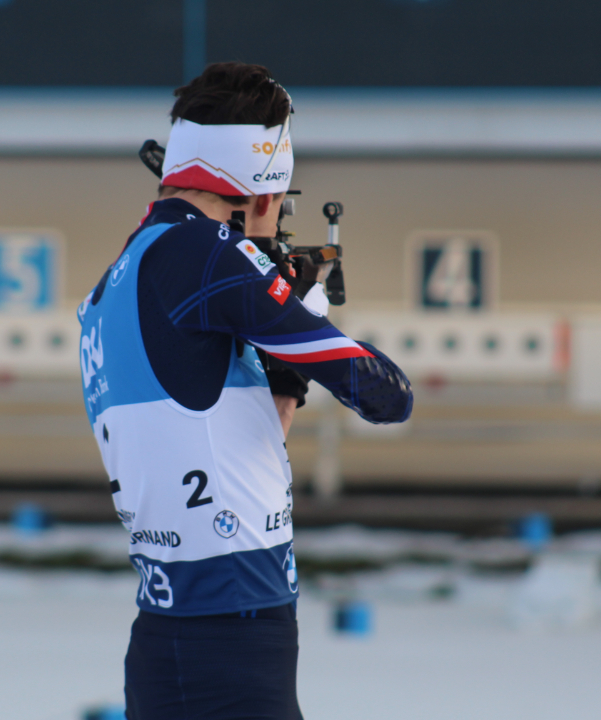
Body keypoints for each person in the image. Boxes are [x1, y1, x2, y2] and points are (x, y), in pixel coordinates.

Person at [76, 62, 413, 720]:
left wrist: (284, 370)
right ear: (260, 193)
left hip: (182, 629)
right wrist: (301, 310)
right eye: (280, 202)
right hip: (232, 636)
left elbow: (234, 441)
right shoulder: (203, 256)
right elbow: (385, 394)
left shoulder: (122, 272)